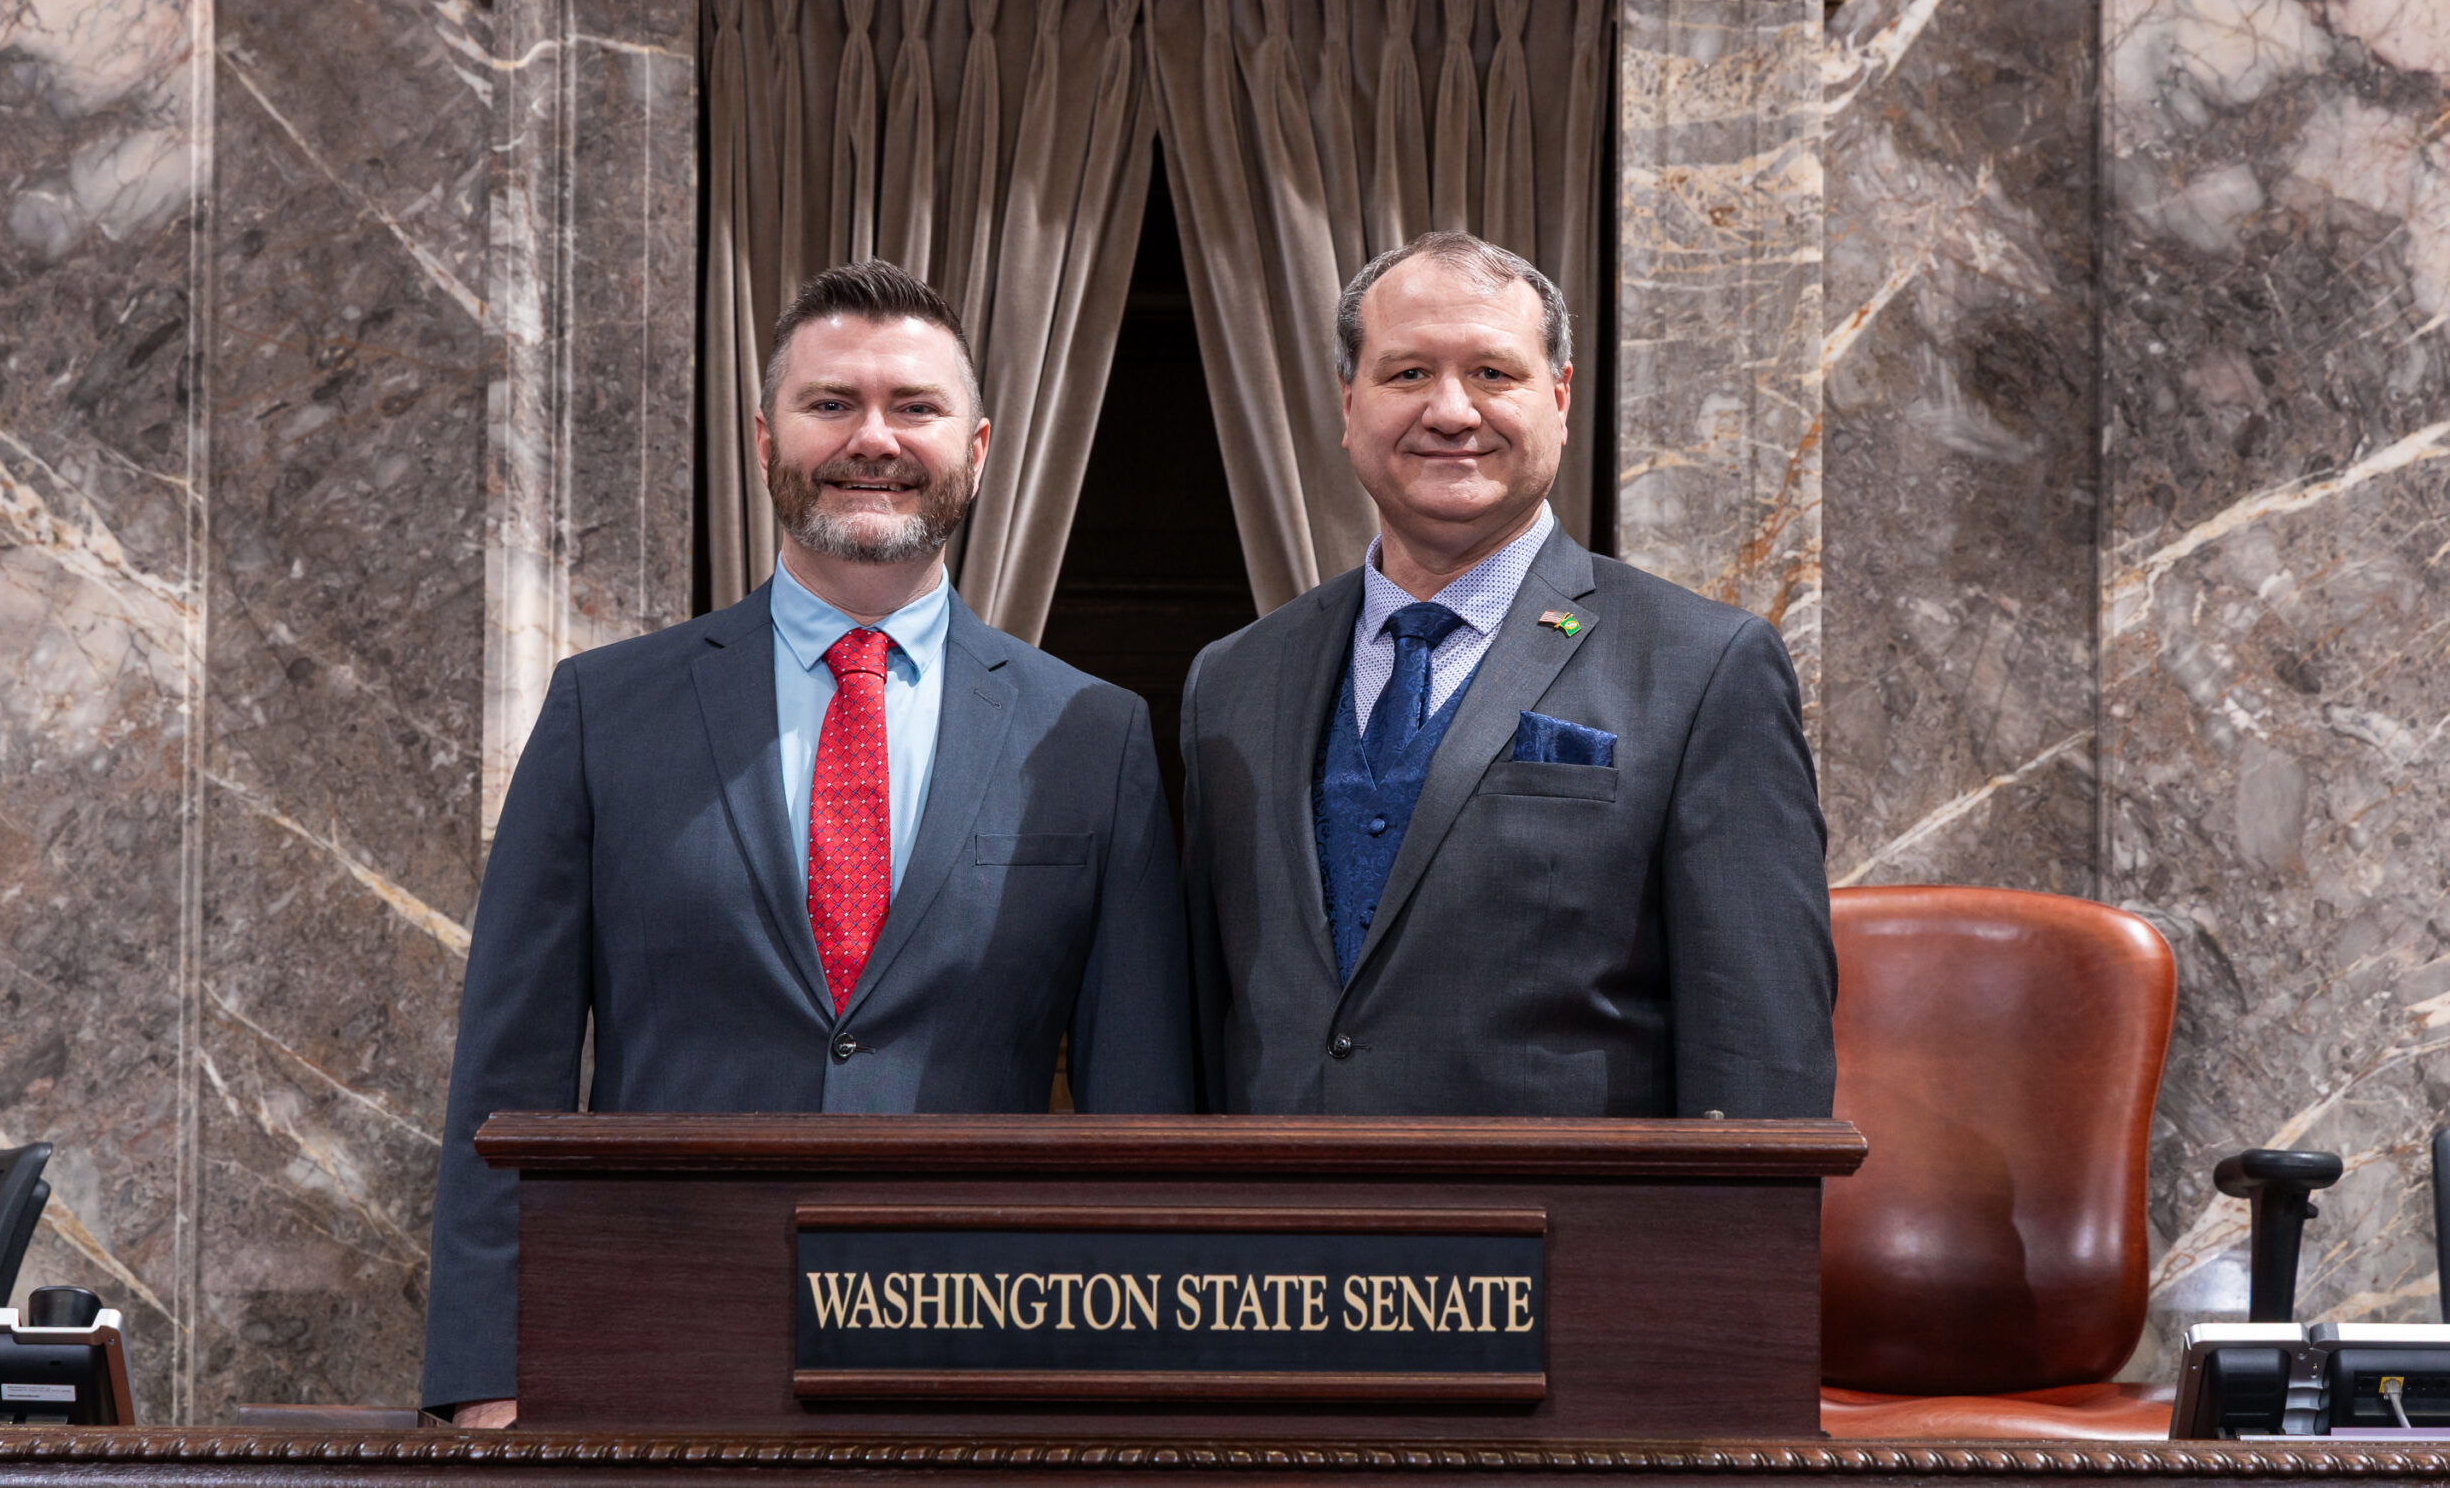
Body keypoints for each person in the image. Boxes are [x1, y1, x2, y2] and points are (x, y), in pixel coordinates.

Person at [422, 262, 1192, 1424]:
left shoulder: (1091, 734)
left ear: (978, 448)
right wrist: (487, 1381)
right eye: (831, 403)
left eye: (914, 406)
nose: (872, 438)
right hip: (653, 1370)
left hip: (981, 1380)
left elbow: (1140, 1115)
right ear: (763, 438)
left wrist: (1147, 1400)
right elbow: (506, 1078)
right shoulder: (603, 713)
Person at [1181, 232, 1834, 1118]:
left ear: (1559, 398)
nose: (1451, 411)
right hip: (1281, 1204)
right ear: (1348, 404)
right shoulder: (1233, 679)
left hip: (1560, 1207)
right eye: (1408, 373)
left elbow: (1759, 1049)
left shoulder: (1706, 667)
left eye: (1493, 373)